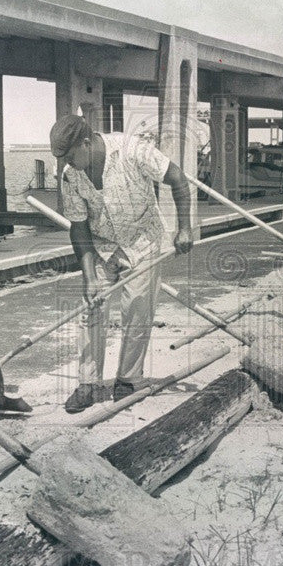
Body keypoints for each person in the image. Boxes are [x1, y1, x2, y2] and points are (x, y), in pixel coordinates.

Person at [50, 114, 193, 414]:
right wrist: (89, 276)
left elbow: (177, 178)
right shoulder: (69, 175)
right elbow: (79, 227)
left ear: (86, 143)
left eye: (68, 155)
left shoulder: (132, 149)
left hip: (143, 239)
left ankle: (128, 380)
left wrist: (185, 228)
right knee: (91, 308)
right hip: (103, 245)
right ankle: (88, 384)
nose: (64, 163)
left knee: (137, 309)